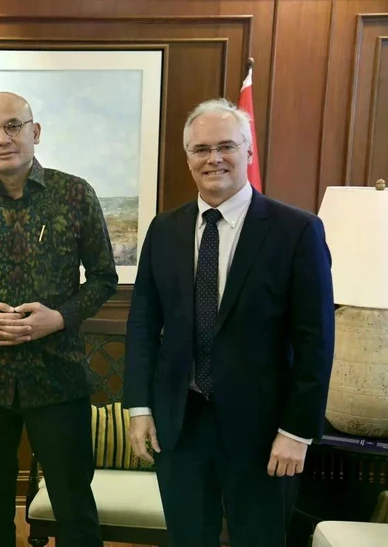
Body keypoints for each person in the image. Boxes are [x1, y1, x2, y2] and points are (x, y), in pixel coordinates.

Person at [124, 98, 335, 547]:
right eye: (201, 149)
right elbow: (143, 324)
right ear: (187, 158)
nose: (214, 158)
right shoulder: (164, 230)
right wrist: (139, 406)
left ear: (249, 151)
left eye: (226, 146)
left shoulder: (296, 231)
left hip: (264, 431)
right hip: (180, 424)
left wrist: (297, 431)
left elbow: (316, 341)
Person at [0, 91, 118, 547]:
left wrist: (59, 317)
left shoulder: (75, 195)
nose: (4, 138)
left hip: (58, 377)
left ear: (35, 132)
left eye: (14, 126)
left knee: (73, 506)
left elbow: (102, 279)